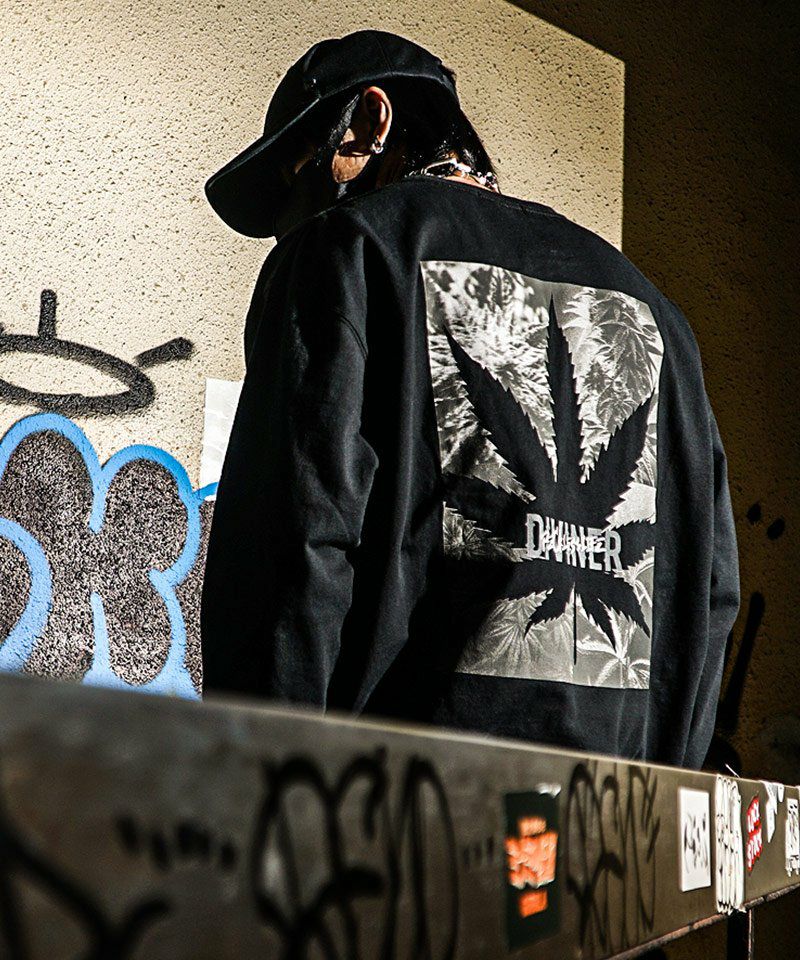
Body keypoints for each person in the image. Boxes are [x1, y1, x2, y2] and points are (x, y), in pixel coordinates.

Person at [200, 29, 740, 769]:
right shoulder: (658, 316)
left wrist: (259, 783)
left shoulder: (349, 252)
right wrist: (664, 782)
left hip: (392, 809)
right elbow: (711, 591)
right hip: (613, 813)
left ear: (369, 123)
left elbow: (290, 544)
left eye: (297, 187)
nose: (288, 227)